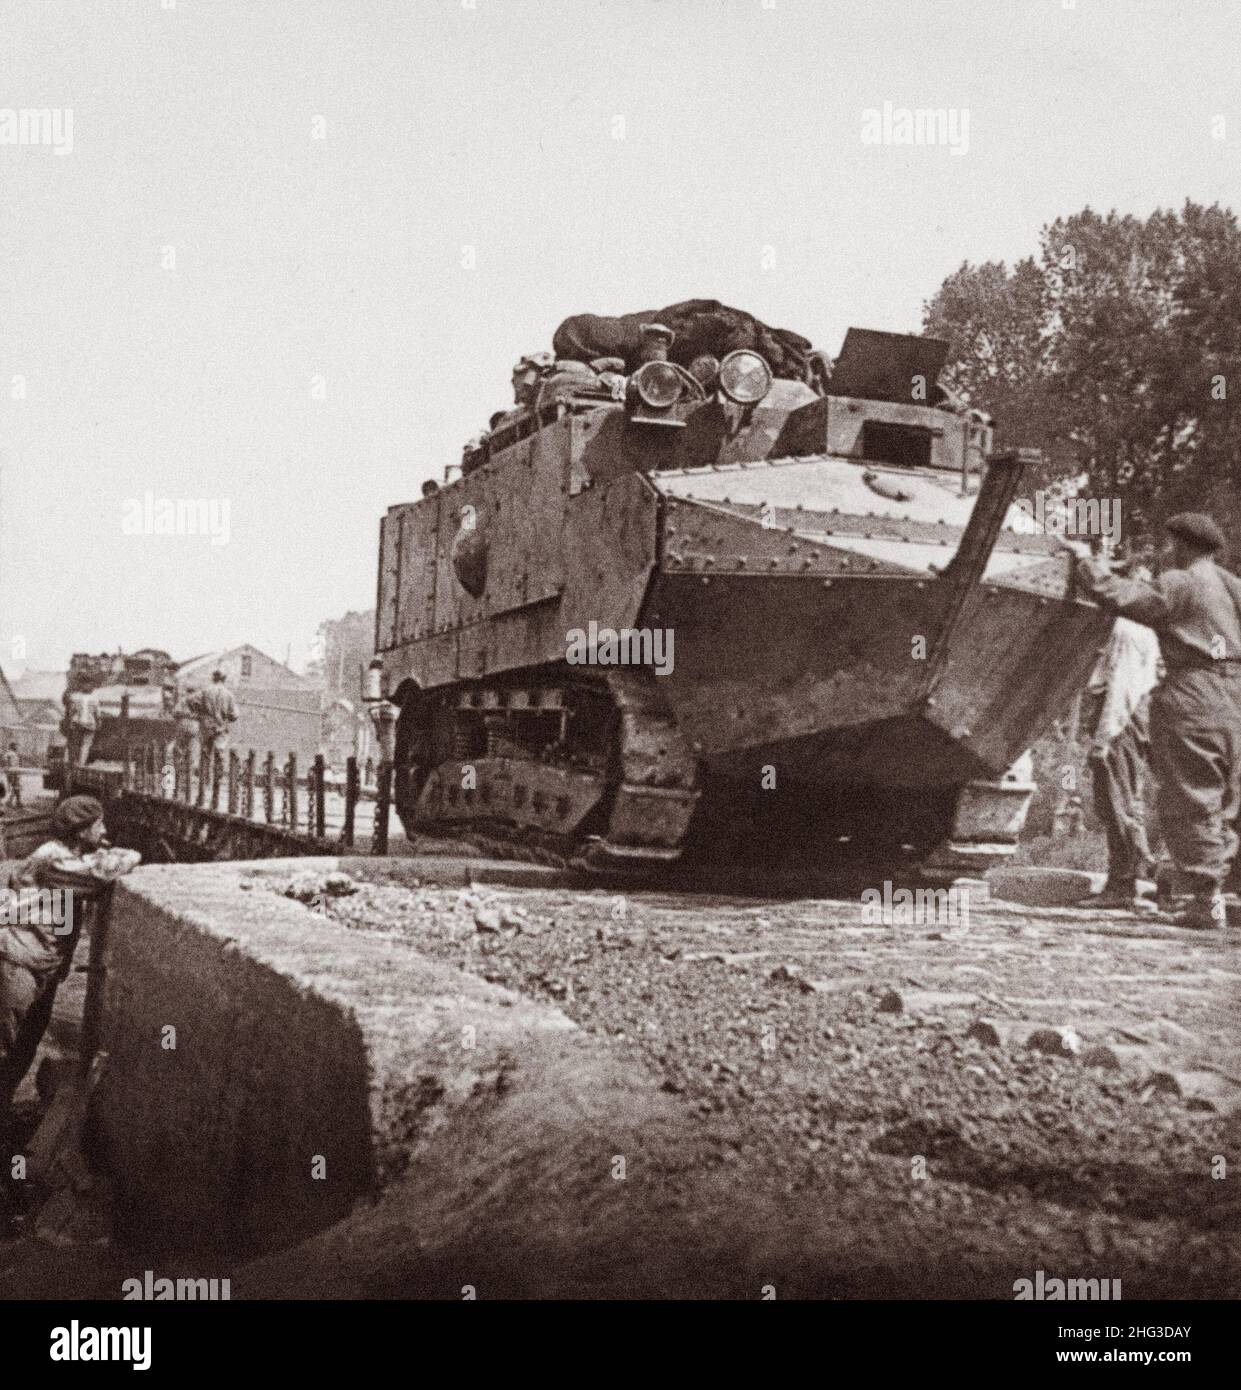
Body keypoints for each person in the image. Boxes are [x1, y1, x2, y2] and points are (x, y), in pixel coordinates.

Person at [1065, 513, 1241, 929]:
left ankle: (1204, 901)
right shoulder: (1233, 585)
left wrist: (1086, 563)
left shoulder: (1182, 581)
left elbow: (1127, 598)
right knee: (1226, 799)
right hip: (1235, 696)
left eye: (1168, 544)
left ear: (1179, 544)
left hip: (1194, 692)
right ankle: (1218, 891)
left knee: (1190, 796)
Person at [0, 796, 141, 1112]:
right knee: (5, 1049)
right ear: (81, 830)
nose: (104, 829)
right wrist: (125, 852)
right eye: (98, 824)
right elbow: (106, 872)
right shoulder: (54, 860)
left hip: (39, 965)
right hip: (18, 963)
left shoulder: (69, 856)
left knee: (24, 1046)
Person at [1079, 594, 1162, 908]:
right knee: (1126, 801)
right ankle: (1145, 876)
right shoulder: (1136, 627)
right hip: (1132, 717)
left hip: (1121, 720)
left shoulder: (1125, 630)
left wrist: (1104, 738)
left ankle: (1122, 884)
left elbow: (1122, 689)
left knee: (1116, 802)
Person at [196, 670, 238, 789]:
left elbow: (197, 707)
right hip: (221, 726)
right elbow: (234, 715)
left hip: (207, 726)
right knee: (219, 752)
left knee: (205, 753)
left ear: (213, 678)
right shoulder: (229, 694)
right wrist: (226, 717)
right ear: (224, 679)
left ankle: (204, 782)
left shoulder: (205, 692)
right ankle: (217, 781)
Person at [64, 686, 99, 767]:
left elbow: (71, 711)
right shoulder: (95, 699)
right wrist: (98, 723)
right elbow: (97, 713)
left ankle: (72, 762)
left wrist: (69, 723)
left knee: (75, 743)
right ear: (91, 690)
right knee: (86, 745)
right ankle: (81, 763)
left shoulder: (75, 698)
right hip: (90, 724)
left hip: (77, 723)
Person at [2, 744, 21, 809]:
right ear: (13, 747)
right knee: (15, 786)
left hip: (14, 772)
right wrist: (9, 770)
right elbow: (6, 762)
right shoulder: (10, 754)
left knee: (17, 786)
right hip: (13, 772)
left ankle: (18, 802)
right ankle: (10, 802)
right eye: (16, 746)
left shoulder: (12, 754)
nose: (17, 747)